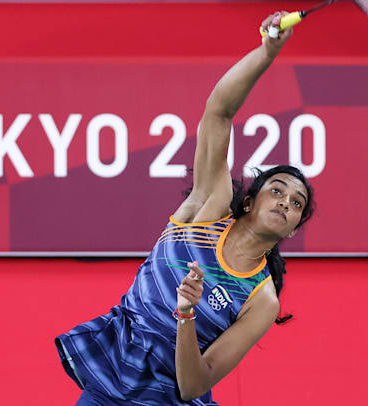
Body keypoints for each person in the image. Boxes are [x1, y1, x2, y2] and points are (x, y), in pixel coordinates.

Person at [55, 11, 315, 405]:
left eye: (296, 203)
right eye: (277, 190)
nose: (285, 201)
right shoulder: (208, 209)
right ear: (248, 201)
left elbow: (195, 384)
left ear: (293, 228)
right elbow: (218, 111)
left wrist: (187, 313)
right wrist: (267, 52)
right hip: (112, 378)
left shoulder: (262, 300)